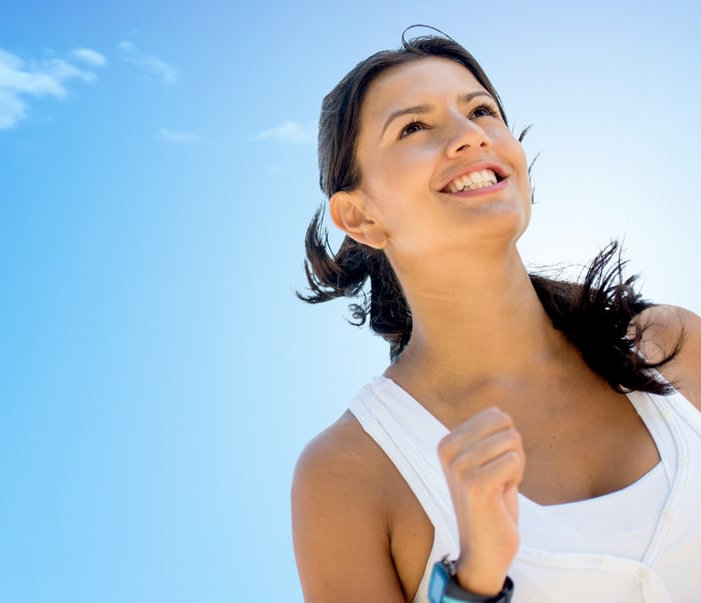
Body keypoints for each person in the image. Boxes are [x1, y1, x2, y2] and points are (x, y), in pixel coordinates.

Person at [290, 31, 701, 603]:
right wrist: (472, 581)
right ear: (361, 217)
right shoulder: (348, 473)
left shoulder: (671, 344)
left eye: (481, 110)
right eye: (414, 127)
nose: (470, 136)